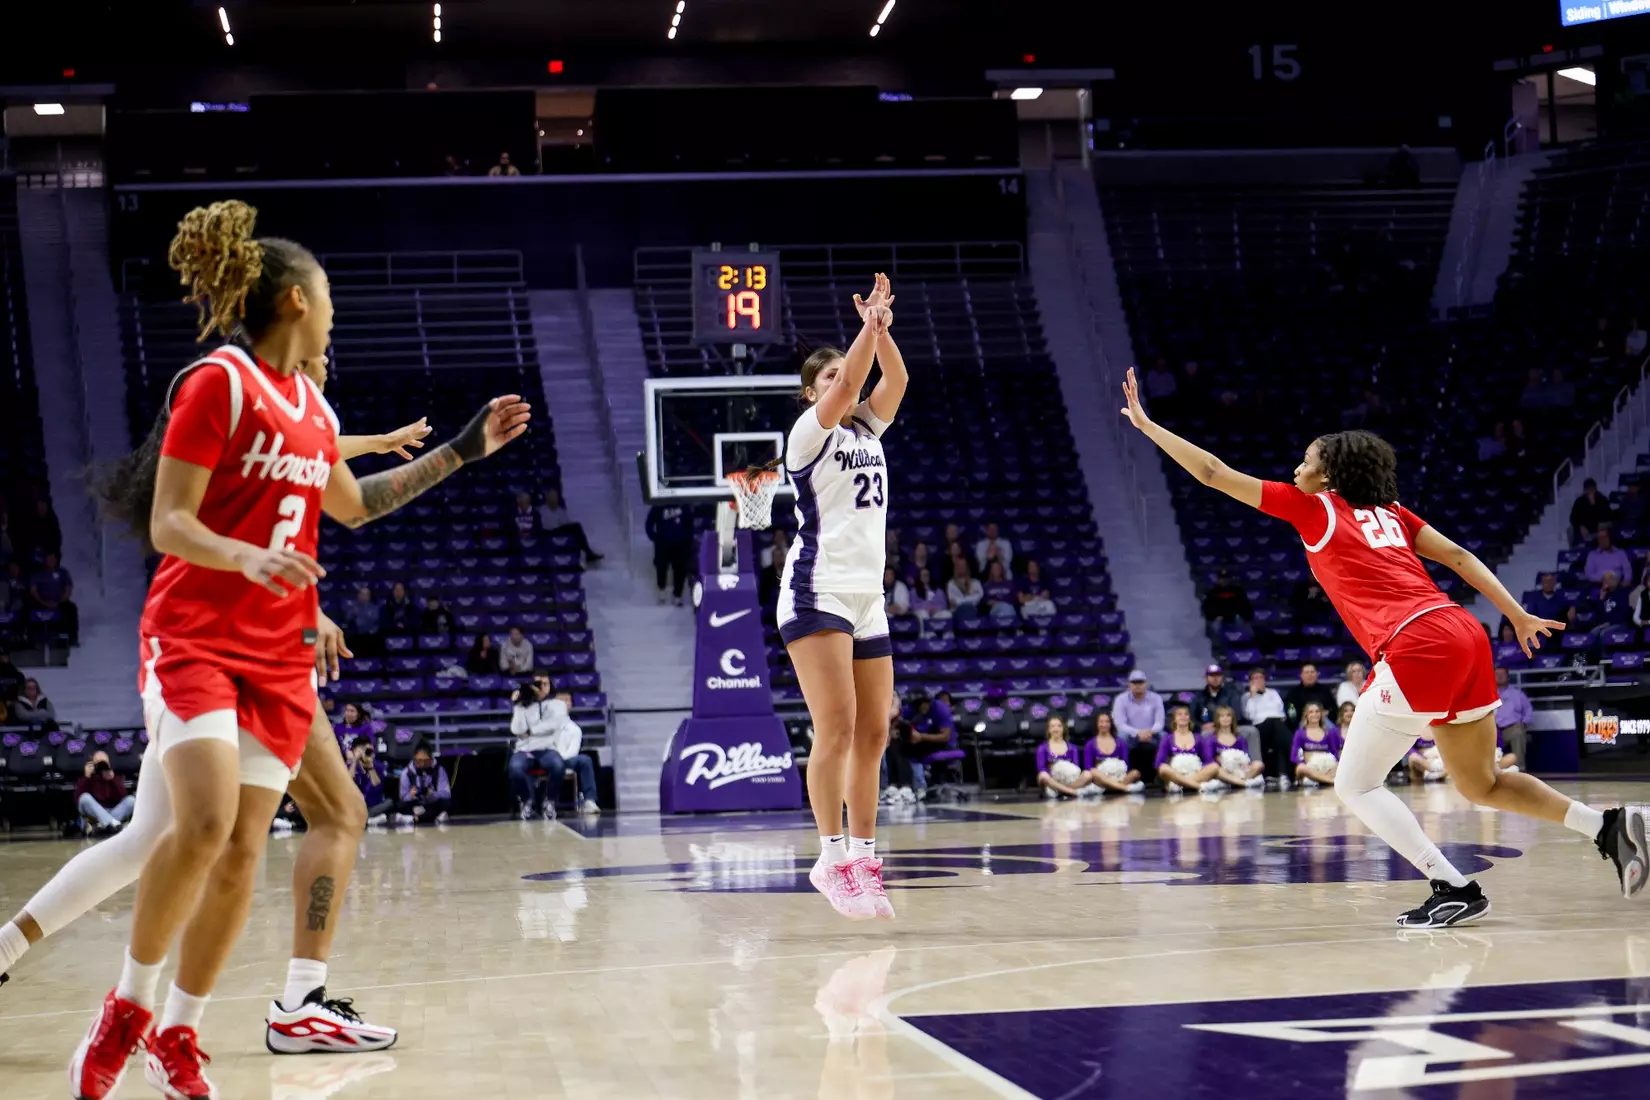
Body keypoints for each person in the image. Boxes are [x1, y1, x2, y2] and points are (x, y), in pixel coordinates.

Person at [61, 200, 527, 1099]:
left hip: (277, 654)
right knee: (196, 824)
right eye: (329, 302)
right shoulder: (218, 384)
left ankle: (182, 1035)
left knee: (242, 846)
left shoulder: (312, 407)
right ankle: (127, 1010)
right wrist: (247, 555)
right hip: (196, 634)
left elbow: (354, 505)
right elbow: (168, 522)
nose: (335, 315)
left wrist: (462, 454)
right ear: (295, 304)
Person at [0, 356, 428, 1054]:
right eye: (317, 334)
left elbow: (302, 470)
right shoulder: (243, 409)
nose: (326, 352)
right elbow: (277, 502)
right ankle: (294, 1003)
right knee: (337, 813)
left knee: (146, 840)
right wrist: (308, 609)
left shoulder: (270, 416)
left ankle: (10, 950)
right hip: (236, 651)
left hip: (225, 641)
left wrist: (370, 444)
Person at [1120, 365, 1645, 928]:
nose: (1297, 467)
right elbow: (1461, 560)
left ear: (1329, 476)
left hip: (1417, 643)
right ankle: (1609, 827)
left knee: (1355, 784)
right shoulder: (1393, 514)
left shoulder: (1313, 509)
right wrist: (1512, 614)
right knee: (1480, 782)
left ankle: (1453, 886)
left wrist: (1150, 428)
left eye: (1307, 460)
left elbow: (1212, 471)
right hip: (1463, 632)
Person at [774, 272, 903, 921]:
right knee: (839, 727)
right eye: (825, 381)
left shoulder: (867, 434)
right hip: (816, 588)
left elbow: (893, 384)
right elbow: (855, 383)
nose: (839, 386)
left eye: (838, 379)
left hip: (865, 596)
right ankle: (829, 857)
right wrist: (864, 332)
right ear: (809, 393)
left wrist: (881, 332)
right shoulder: (808, 436)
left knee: (876, 732)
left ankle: (863, 856)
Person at [1113, 669, 1166, 779]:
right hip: (1130, 735)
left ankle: (1162, 774)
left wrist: (1149, 732)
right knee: (1121, 738)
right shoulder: (1120, 700)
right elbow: (1120, 724)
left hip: (1152, 734)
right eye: (1134, 682)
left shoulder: (1156, 698)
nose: (1137, 685)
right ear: (1129, 684)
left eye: (1140, 682)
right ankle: (1124, 774)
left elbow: (1159, 722)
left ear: (1145, 683)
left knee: (1165, 737)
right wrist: (1138, 733)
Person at [1241, 668, 1292, 782]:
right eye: (1255, 678)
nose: (1259, 680)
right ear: (1250, 682)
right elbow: (1249, 715)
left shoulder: (1273, 693)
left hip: (1277, 723)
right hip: (1259, 726)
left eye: (1261, 677)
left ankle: (1282, 774)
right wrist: (1252, 696)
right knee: (1275, 725)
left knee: (1278, 730)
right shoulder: (1246, 697)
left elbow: (1280, 710)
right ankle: (1294, 750)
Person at [1155, 705, 1220, 793]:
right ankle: (1198, 786)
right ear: (1174, 719)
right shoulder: (1168, 738)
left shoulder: (1198, 737)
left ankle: (1183, 785)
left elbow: (1208, 760)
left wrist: (1201, 769)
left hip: (1195, 772)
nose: (1183, 717)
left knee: (1214, 767)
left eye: (1186, 714)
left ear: (1190, 718)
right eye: (1179, 714)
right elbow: (1159, 763)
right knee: (1163, 768)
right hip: (1176, 774)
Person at [1082, 712, 1144, 794]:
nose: (1104, 724)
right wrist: (1105, 776)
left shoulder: (1120, 742)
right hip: (1101, 779)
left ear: (1111, 724)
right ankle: (1123, 788)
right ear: (1096, 724)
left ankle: (1113, 787)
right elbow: (1088, 766)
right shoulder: (1090, 743)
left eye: (1107, 722)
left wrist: (1117, 772)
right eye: (1101, 722)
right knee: (1093, 772)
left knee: (1135, 773)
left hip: (1119, 777)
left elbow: (1126, 764)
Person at [646, 499, 693, 606]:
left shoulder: (684, 505)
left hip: (681, 543)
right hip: (663, 544)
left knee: (680, 570)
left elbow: (690, 524)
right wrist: (655, 537)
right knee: (661, 568)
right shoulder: (659, 505)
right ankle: (661, 591)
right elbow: (649, 523)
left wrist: (688, 539)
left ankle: (677, 595)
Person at [537, 487, 602, 563]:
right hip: (546, 532)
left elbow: (566, 522)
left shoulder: (560, 510)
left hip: (558, 530)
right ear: (547, 499)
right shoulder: (541, 510)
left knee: (576, 527)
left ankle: (587, 554)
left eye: (555, 497)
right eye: (551, 497)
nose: (553, 500)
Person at [76, 752, 136, 835]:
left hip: (112, 811)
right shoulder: (88, 778)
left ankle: (104, 825)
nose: (101, 766)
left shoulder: (114, 777)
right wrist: (87, 777)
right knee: (85, 798)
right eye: (98, 762)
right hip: (94, 814)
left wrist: (112, 780)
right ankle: (114, 824)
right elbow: (78, 800)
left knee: (131, 800)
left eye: (104, 762)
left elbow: (122, 796)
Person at [1207, 707, 1264, 789]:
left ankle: (1241, 781)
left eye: (1228, 716)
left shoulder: (1239, 738)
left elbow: (1246, 756)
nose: (1225, 718)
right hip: (1223, 769)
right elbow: (1209, 758)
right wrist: (1219, 760)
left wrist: (1244, 765)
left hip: (1240, 769)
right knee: (1215, 769)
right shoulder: (1212, 738)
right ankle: (1243, 783)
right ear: (1217, 719)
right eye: (1222, 716)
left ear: (1232, 719)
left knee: (1258, 765)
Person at [28, 551, 78, 644]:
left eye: (53, 559)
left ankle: (72, 638)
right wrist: (44, 602)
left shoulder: (63, 572)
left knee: (71, 608)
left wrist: (60, 601)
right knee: (28, 609)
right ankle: (31, 638)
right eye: (48, 559)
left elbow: (68, 588)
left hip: (59, 602)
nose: (51, 561)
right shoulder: (37, 574)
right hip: (41, 602)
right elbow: (33, 591)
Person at [1035, 715, 1089, 800]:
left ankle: (1062, 790)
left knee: (1087, 774)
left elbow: (1076, 767)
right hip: (1051, 780)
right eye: (1053, 726)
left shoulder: (1072, 748)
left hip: (1069, 780)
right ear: (1049, 730)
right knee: (1042, 775)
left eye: (1059, 726)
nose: (1056, 729)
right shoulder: (1043, 748)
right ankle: (1071, 792)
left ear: (1063, 728)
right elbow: (1042, 768)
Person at [345, 736, 395, 826]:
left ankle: (364, 820)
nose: (365, 753)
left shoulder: (379, 766)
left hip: (373, 805)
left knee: (389, 803)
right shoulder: (350, 767)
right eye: (362, 750)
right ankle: (369, 820)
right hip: (355, 806)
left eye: (368, 750)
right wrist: (355, 760)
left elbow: (377, 787)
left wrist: (371, 768)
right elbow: (346, 783)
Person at [1291, 703, 1343, 788]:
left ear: (1321, 714)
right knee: (1300, 768)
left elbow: (1335, 752)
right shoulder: (1300, 733)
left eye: (1317, 711)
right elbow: (1295, 756)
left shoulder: (1329, 732)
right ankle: (1330, 781)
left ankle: (1322, 779)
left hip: (1328, 766)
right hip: (1310, 768)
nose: (1314, 714)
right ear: (1306, 715)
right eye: (1311, 712)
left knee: (1342, 765)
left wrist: (1336, 767)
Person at [398, 746, 453, 823]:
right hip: (416, 804)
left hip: (433, 803)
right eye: (419, 761)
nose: (422, 764)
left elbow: (446, 794)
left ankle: (415, 818)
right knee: (401, 805)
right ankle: (430, 817)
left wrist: (432, 794)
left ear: (431, 759)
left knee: (447, 803)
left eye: (426, 761)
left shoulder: (440, 770)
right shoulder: (406, 773)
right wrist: (411, 795)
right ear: (414, 759)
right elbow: (403, 796)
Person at [1494, 666, 1532, 766]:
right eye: (1497, 674)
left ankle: (1520, 768)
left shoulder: (1517, 694)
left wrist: (1524, 723)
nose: (1500, 677)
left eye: (1502, 674)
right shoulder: (1486, 693)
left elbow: (1528, 710)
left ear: (1508, 676)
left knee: (1518, 732)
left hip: (1510, 728)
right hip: (1491, 730)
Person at [1192, 663, 1244, 731]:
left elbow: (1237, 716)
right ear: (1206, 678)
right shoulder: (1198, 697)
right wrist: (1201, 726)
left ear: (1222, 677)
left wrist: (1217, 725)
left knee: (1251, 731)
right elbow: (1192, 718)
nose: (1215, 678)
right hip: (1207, 731)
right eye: (1211, 675)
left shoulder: (1232, 694)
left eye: (1218, 675)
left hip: (1229, 729)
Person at [1284, 661, 1338, 726]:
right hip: (1303, 721)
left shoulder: (1325, 690)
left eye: (1312, 672)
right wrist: (1306, 714)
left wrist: (1328, 712)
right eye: (1306, 672)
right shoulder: (1293, 692)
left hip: (1323, 720)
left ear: (1317, 674)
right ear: (1301, 675)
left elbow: (1334, 709)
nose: (1310, 675)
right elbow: (1291, 712)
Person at [1571, 479, 1616, 547]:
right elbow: (1573, 518)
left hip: (1599, 528)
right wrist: (1581, 526)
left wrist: (1593, 504)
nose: (1589, 492)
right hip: (1585, 530)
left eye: (1591, 489)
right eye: (1587, 489)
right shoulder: (1579, 502)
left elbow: (1606, 516)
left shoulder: (1602, 500)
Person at [342, 586, 383, 655]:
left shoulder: (374, 607)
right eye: (362, 594)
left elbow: (374, 620)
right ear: (358, 595)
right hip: (357, 635)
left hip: (370, 634)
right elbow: (347, 619)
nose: (364, 596)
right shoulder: (353, 607)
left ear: (369, 596)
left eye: (366, 594)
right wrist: (353, 614)